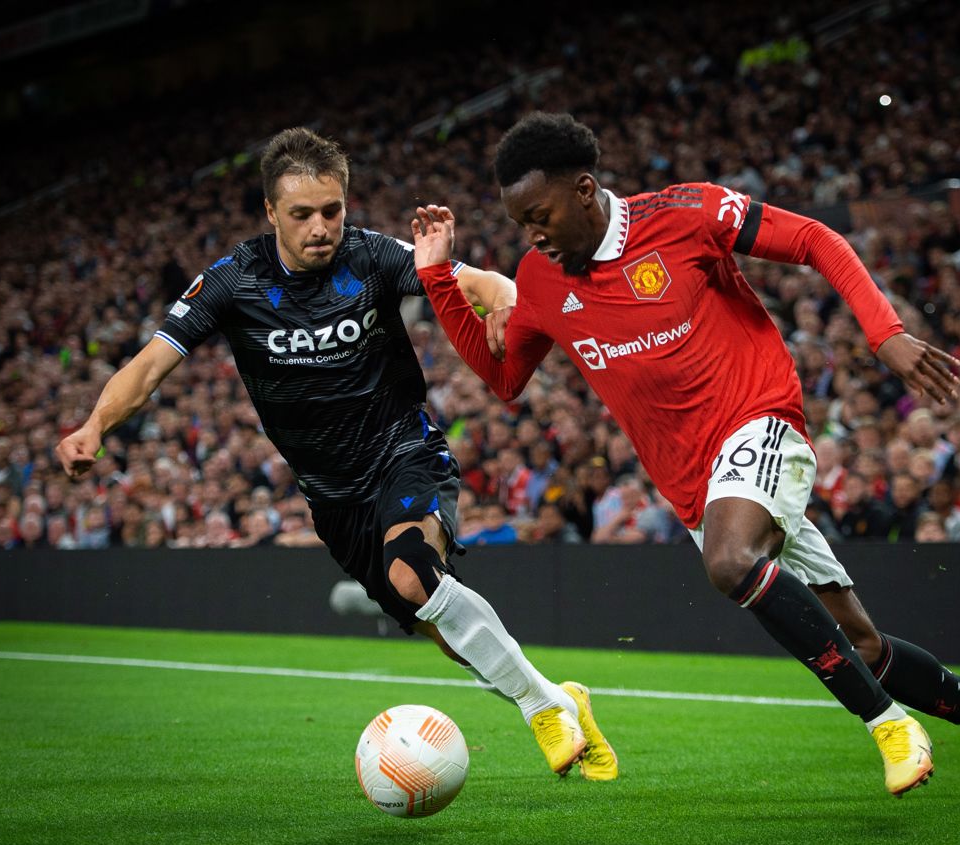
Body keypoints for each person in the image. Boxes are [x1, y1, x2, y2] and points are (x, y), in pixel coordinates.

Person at [410, 112, 960, 800]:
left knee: (729, 563)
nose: (533, 235)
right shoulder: (541, 278)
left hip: (762, 422)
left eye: (540, 216)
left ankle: (889, 726)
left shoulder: (686, 215)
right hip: (697, 485)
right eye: (521, 224)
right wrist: (437, 281)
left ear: (584, 190)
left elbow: (815, 239)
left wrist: (885, 333)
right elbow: (504, 379)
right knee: (864, 648)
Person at [54, 126, 616, 782]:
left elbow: (484, 283)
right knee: (442, 627)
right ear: (271, 212)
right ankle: (560, 698)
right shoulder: (234, 281)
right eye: (302, 214)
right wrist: (94, 425)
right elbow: (150, 365)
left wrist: (508, 305)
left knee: (413, 572)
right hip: (333, 500)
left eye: (332, 210)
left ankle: (539, 709)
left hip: (404, 450)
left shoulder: (373, 256)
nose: (321, 227)